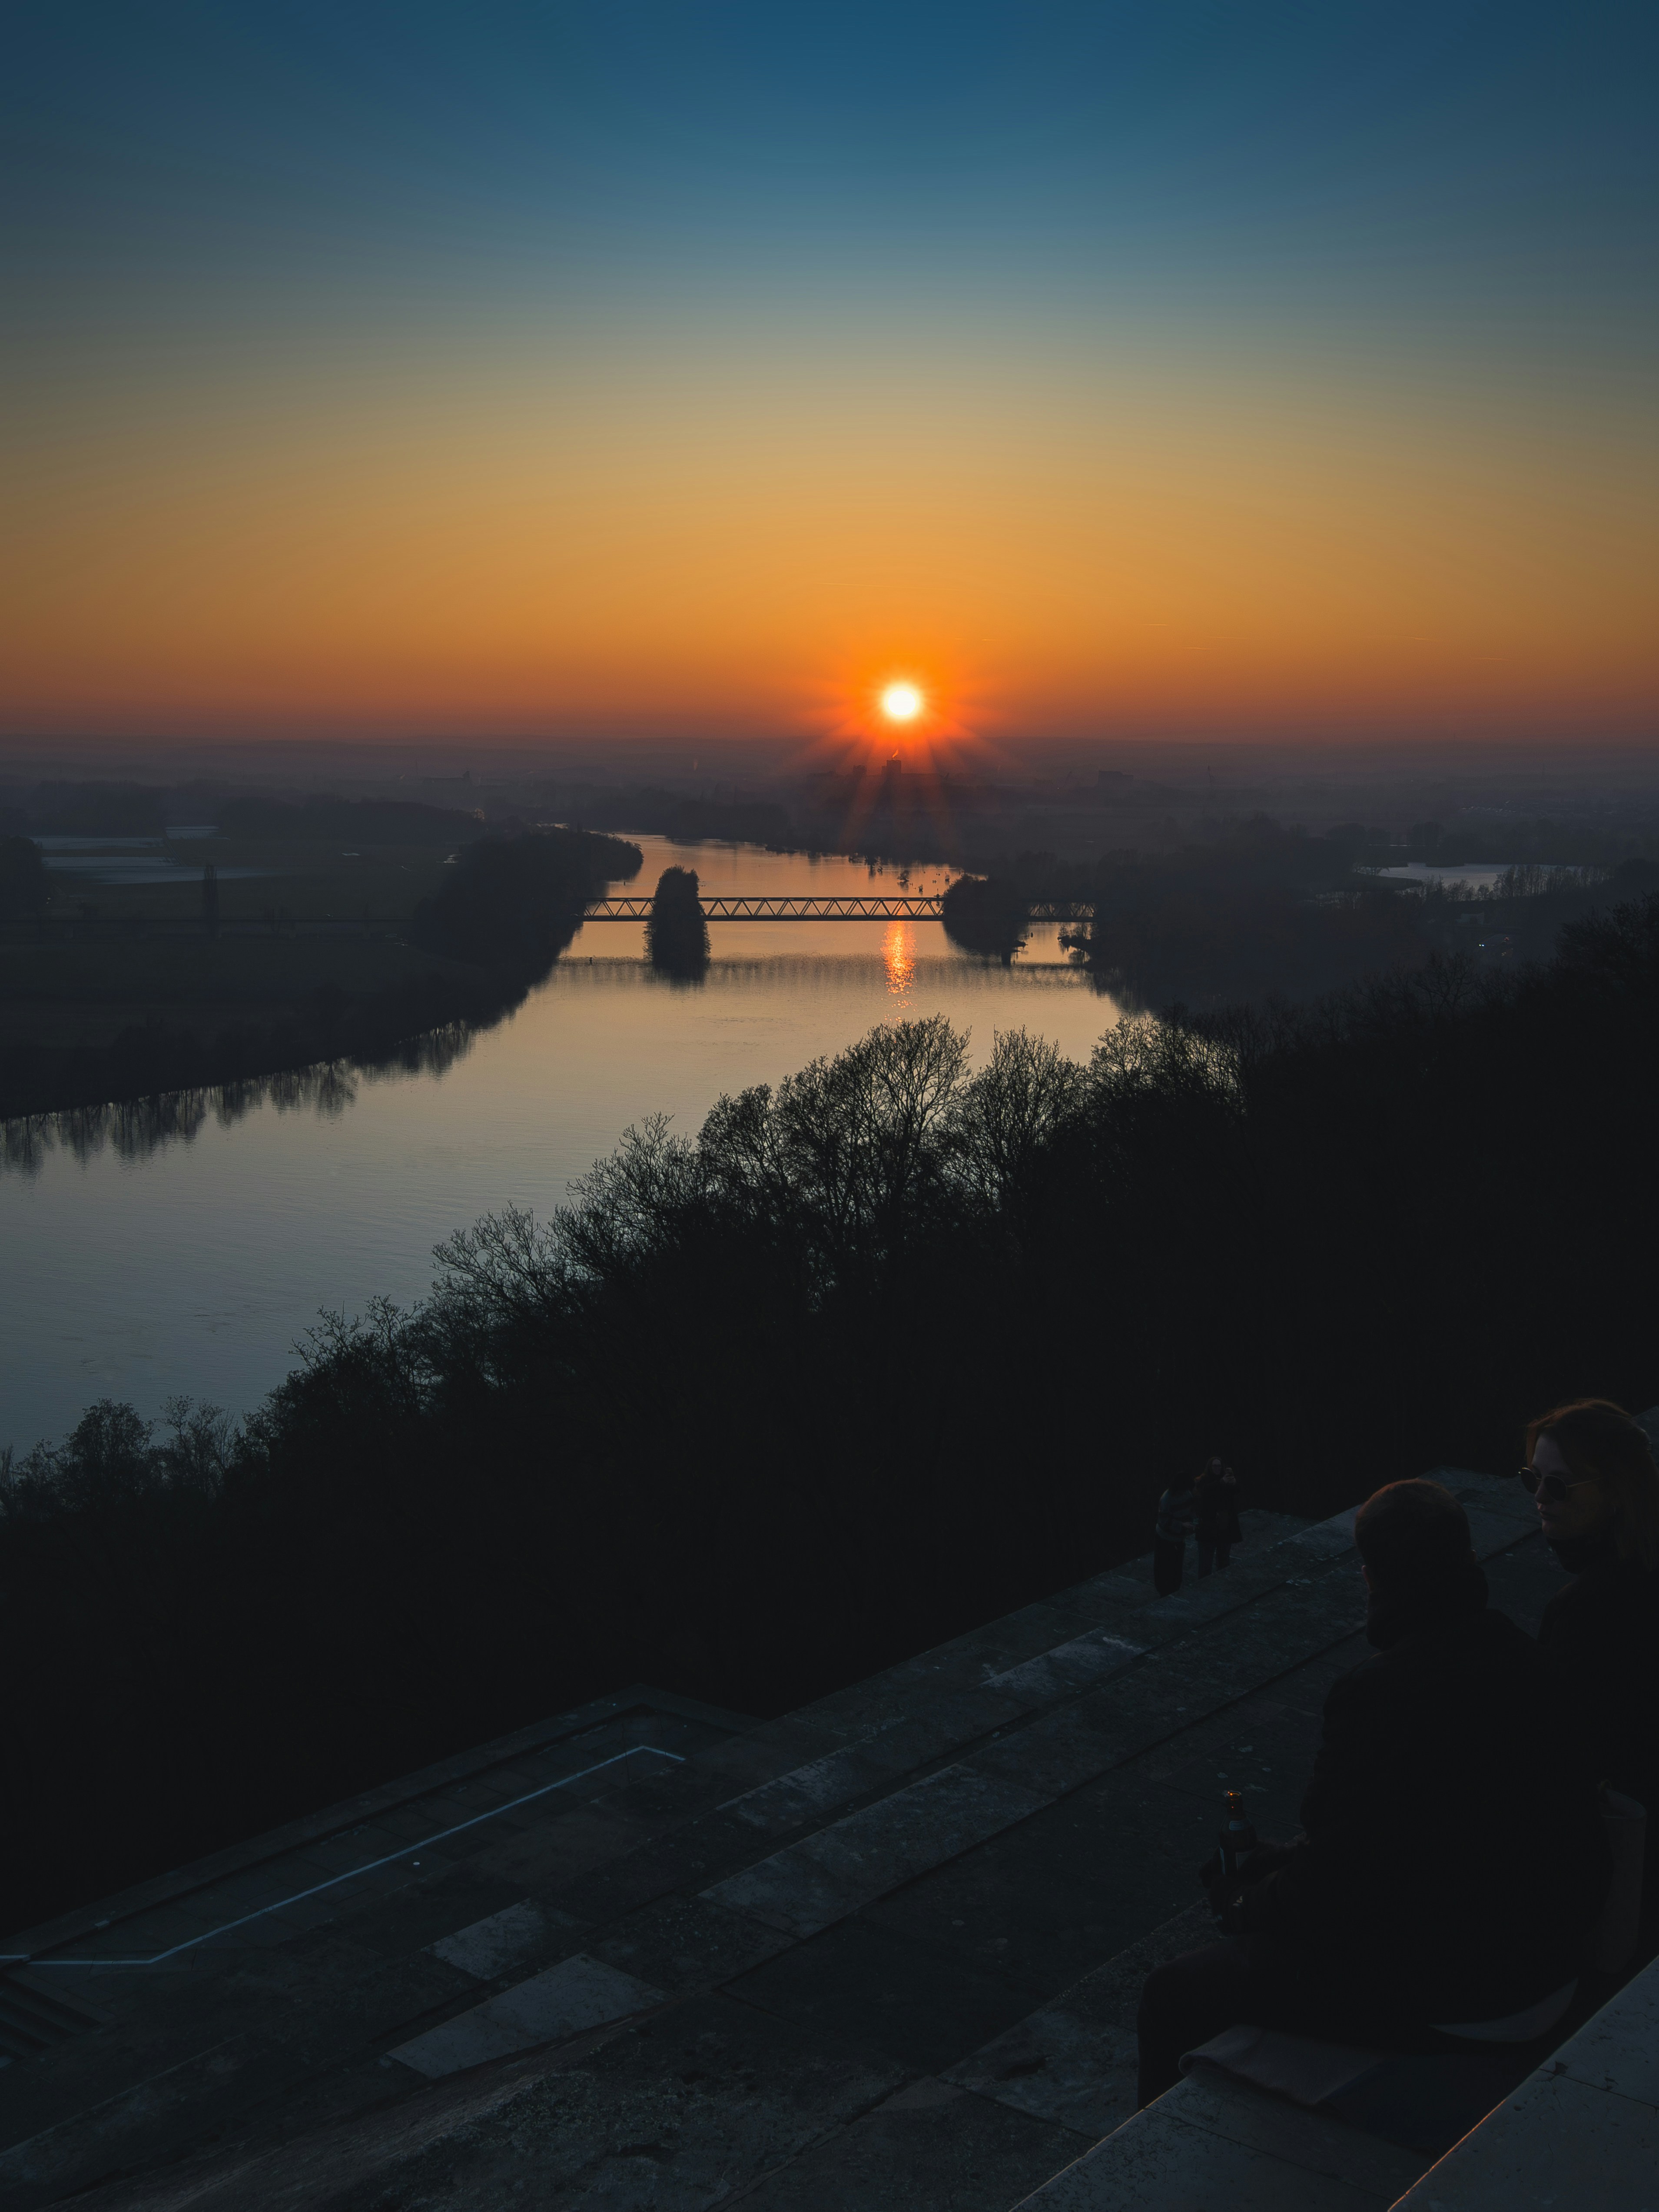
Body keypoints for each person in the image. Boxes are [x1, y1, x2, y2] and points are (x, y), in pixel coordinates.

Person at [1136, 1478, 1607, 2106]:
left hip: (1469, 1997)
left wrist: (1244, 1899)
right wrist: (1289, 1862)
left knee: (1173, 1991)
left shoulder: (1378, 1694)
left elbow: (1332, 1890)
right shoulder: (1532, 1662)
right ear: (1468, 1559)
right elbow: (1431, 1836)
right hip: (1550, 1971)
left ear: (1370, 1577)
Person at [1526, 1399, 1659, 1887]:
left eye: (1559, 1485)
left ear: (1615, 1492)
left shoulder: (1590, 1610)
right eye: (1533, 1478)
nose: (1539, 1497)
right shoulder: (1635, 1571)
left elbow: (1563, 1749)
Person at [1195, 1458, 1241, 1576]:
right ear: (1210, 1467)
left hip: (1224, 1525)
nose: (1217, 1469)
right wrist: (1221, 1482)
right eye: (1215, 1466)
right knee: (1206, 1562)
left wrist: (1233, 1483)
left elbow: (1236, 1491)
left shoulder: (1225, 1479)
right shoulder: (1203, 1480)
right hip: (1209, 1525)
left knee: (1224, 1559)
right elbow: (1206, 1492)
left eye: (1219, 1466)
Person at [1154, 1477, 1196, 1595]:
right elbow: (1164, 1522)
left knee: (1177, 1565)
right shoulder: (1167, 1499)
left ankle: (1175, 1588)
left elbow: (1191, 1511)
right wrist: (1182, 1525)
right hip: (1165, 1538)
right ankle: (1164, 1591)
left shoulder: (1187, 1494)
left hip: (1179, 1538)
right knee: (1164, 1566)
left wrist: (1192, 1522)